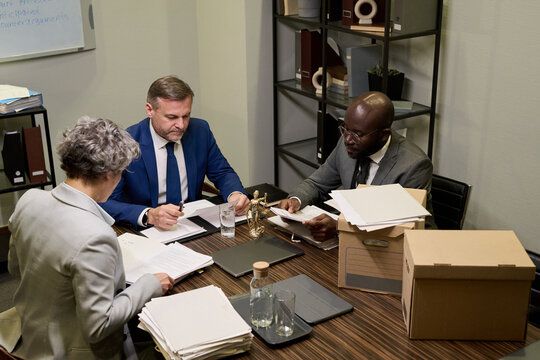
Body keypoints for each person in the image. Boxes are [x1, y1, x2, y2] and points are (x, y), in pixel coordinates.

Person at [8, 116, 174, 359]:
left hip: (31, 332)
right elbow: (99, 326)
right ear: (109, 174)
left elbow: (15, 269)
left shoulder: (29, 199)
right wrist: (148, 285)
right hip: (71, 351)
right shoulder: (96, 236)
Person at [100, 75, 249, 230]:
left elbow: (222, 172)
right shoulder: (125, 143)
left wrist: (234, 194)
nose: (181, 125)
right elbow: (105, 202)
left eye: (186, 116)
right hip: (147, 229)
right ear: (149, 110)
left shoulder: (200, 131)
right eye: (172, 117)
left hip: (193, 223)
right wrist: (148, 214)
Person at [279, 91, 433, 241]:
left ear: (384, 135)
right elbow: (317, 184)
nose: (347, 139)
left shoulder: (414, 165)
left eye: (357, 134)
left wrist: (341, 228)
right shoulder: (347, 144)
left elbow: (403, 229)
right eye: (345, 128)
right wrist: (295, 200)